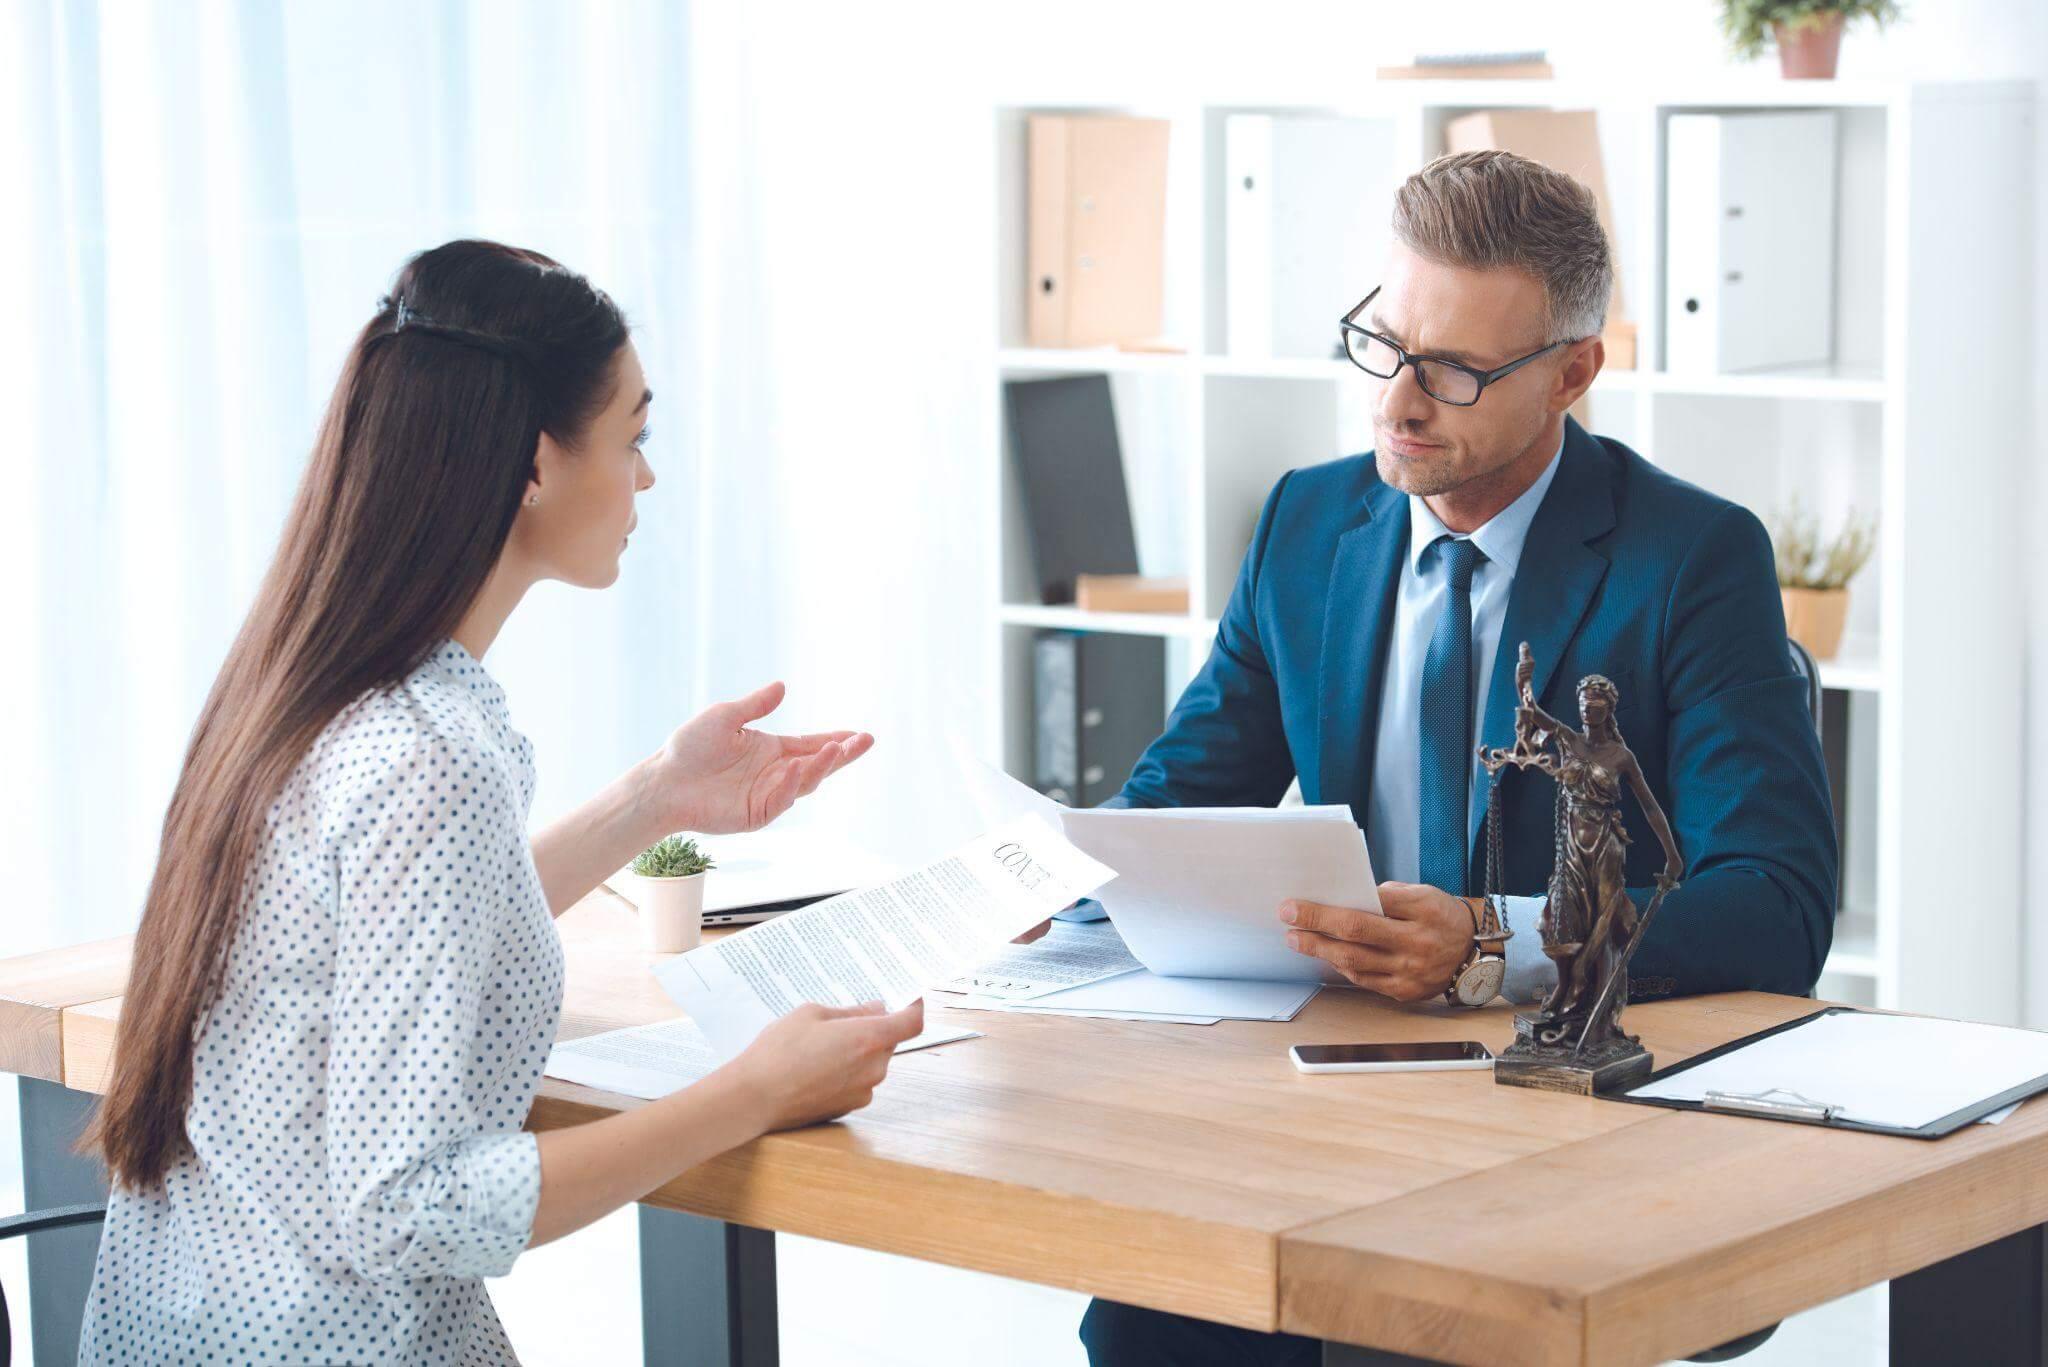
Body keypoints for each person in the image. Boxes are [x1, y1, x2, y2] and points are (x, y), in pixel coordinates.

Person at [78, 240, 924, 1364]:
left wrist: (654, 797)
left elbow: (398, 932)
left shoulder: (310, 684)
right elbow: (409, 1206)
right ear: (534, 465)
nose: (645, 479)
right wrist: (751, 1094)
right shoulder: (428, 755)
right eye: (633, 438)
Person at [1074, 152, 1837, 1367]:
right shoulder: (1306, 522)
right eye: (1382, 344)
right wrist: (1046, 871)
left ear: (1572, 372)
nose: (1397, 401)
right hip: (1323, 1089)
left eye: (1454, 370)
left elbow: (1774, 902)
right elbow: (1180, 794)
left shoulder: (1692, 557)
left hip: (1554, 1118)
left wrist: (1492, 941)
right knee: (1152, 1305)